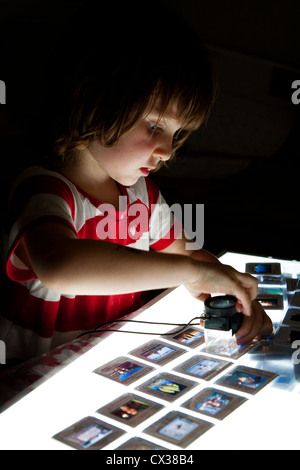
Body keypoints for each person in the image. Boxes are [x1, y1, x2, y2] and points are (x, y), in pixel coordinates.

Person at [0, 1, 272, 363]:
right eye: (156, 127)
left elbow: (186, 253)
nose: (167, 151)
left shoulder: (142, 196)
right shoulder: (46, 191)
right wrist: (192, 271)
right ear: (92, 101)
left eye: (177, 135)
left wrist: (231, 288)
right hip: (27, 379)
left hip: (103, 365)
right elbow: (60, 266)